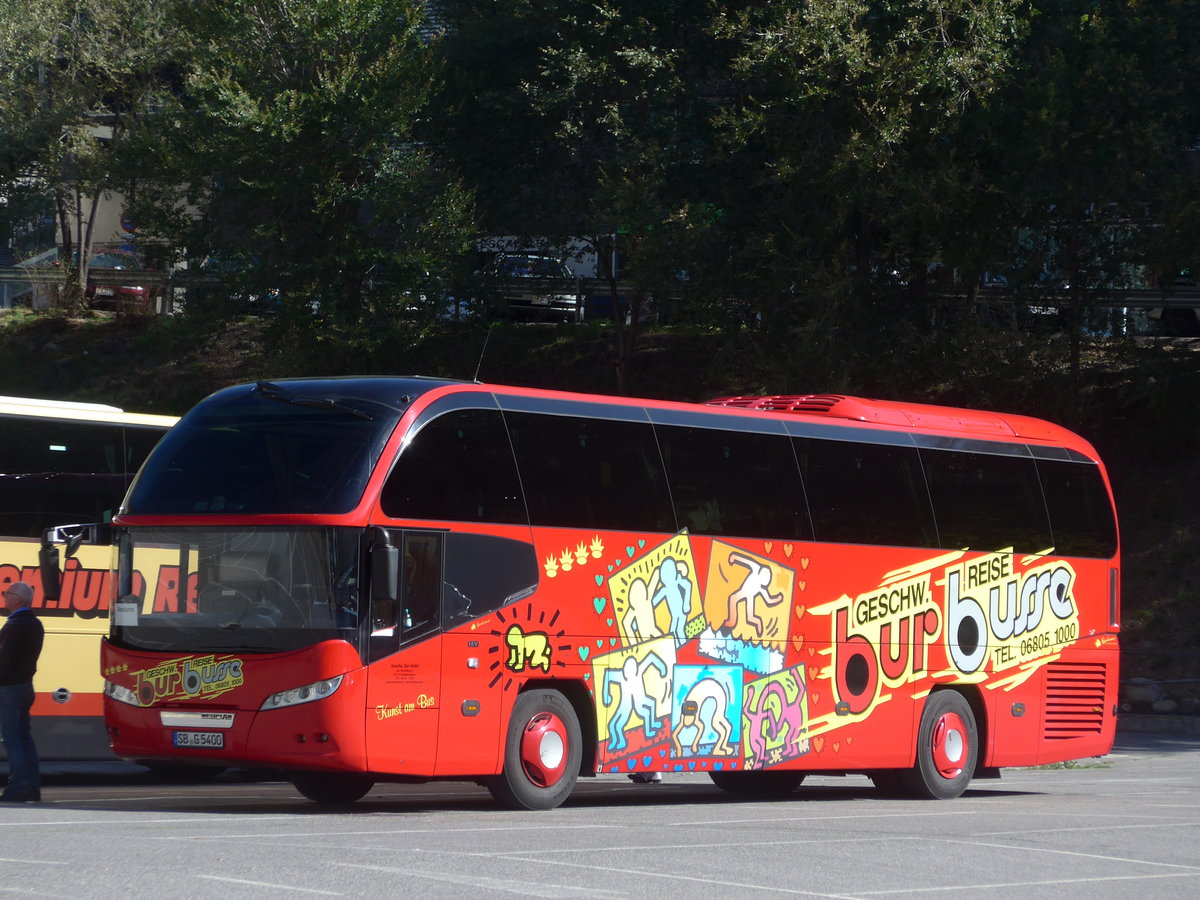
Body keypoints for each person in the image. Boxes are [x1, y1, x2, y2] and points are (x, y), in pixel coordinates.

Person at [0, 582, 44, 802]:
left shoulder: (14, 625)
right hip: (26, 685)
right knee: (25, 738)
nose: (4, 597)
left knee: (12, 740)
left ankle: (17, 788)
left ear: (18, 599)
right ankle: (32, 787)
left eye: (7, 594)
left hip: (9, 688)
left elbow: (4, 661)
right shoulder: (36, 624)